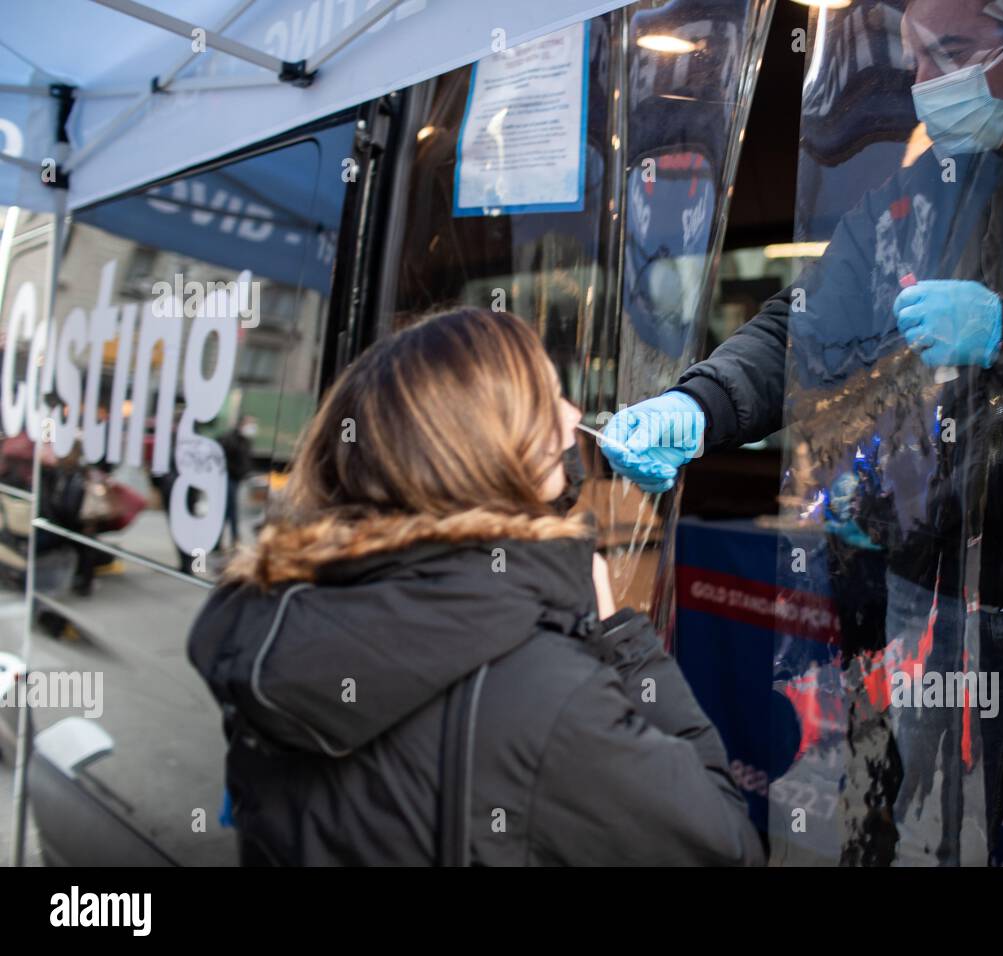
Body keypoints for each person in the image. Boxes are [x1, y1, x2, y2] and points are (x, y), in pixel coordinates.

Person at [603, 0, 1003, 866]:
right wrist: (698, 404)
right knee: (927, 838)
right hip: (939, 589)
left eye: (949, 54)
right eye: (914, 59)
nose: (926, 86)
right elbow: (802, 331)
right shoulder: (914, 200)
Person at [187, 307, 764, 866]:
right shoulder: (545, 697)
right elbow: (726, 843)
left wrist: (545, 523)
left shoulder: (272, 625)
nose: (573, 416)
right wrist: (622, 640)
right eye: (547, 401)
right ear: (492, 457)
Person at [217, 416, 257, 550]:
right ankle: (231, 538)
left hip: (237, 478)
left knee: (229, 510)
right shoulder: (231, 439)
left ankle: (228, 539)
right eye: (250, 423)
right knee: (229, 509)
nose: (252, 427)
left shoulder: (245, 440)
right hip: (229, 478)